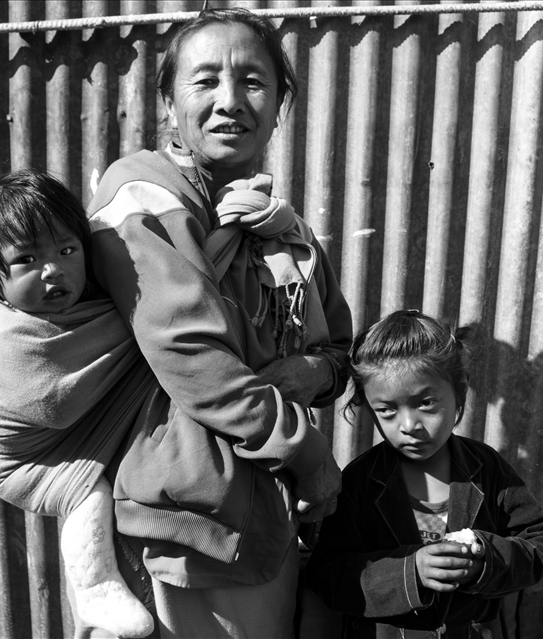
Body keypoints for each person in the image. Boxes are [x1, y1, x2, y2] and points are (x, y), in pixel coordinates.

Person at [85, 8, 353, 637]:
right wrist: (309, 453)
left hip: (269, 512)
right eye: (204, 82)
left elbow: (341, 349)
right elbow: (194, 359)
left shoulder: (284, 229)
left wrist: (309, 371)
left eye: (254, 81)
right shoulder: (143, 198)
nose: (230, 101)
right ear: (169, 104)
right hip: (185, 524)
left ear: (281, 103)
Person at [0, 169, 156, 638]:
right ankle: (94, 587)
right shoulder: (10, 338)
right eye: (27, 259)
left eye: (67, 251)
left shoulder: (90, 304)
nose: (54, 270)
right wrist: (144, 333)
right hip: (24, 461)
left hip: (72, 443)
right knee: (88, 494)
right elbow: (54, 404)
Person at [305, 310, 543, 638]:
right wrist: (410, 572)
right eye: (387, 410)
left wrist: (485, 560)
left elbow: (539, 550)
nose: (409, 426)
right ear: (369, 408)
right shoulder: (359, 481)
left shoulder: (487, 469)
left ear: (460, 392)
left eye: (425, 403)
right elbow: (329, 576)